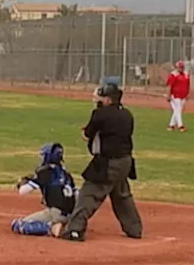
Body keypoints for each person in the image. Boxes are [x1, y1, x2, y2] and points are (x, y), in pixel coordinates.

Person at [60, 83, 143, 242]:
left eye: (102, 97)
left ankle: (75, 230)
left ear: (108, 99)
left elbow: (87, 135)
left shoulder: (100, 114)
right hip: (126, 162)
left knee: (89, 193)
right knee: (121, 195)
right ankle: (135, 229)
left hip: (108, 163)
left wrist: (87, 130)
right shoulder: (127, 114)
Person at [12, 142, 76, 236]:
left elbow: (23, 191)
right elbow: (77, 195)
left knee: (18, 225)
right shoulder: (66, 174)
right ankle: (68, 225)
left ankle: (51, 228)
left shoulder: (46, 172)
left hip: (54, 213)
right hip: (71, 215)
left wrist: (21, 183)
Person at [165, 60, 190, 132]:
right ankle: (180, 126)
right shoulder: (173, 74)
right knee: (177, 109)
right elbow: (170, 85)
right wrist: (169, 95)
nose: (181, 69)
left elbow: (188, 85)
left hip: (183, 95)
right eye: (180, 67)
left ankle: (171, 126)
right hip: (175, 95)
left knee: (178, 110)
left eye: (182, 67)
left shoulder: (186, 74)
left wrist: (188, 93)